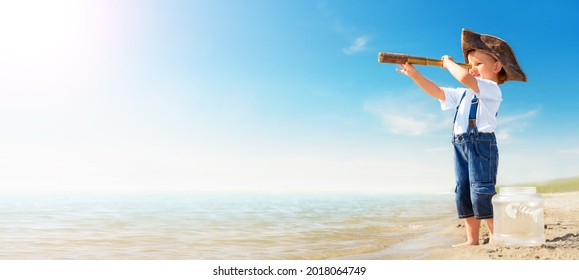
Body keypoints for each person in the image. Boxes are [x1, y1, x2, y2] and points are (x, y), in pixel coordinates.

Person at [396, 29, 527, 246]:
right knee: (463, 191)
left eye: (478, 64)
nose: (472, 69)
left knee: (481, 190)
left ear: (496, 67)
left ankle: (496, 235)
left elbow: (465, 76)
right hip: (460, 145)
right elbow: (437, 91)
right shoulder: (464, 93)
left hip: (481, 145)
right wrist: (414, 74)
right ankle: (472, 239)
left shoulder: (491, 89)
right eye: (469, 64)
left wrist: (448, 63)